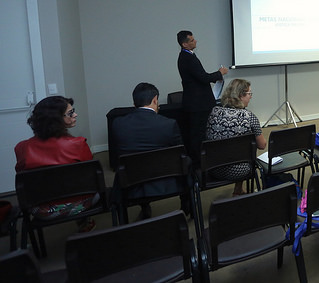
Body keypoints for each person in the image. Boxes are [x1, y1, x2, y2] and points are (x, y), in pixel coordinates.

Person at [14, 96, 96, 232]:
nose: (76, 114)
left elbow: (23, 179)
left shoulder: (21, 148)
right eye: (70, 113)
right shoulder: (78, 144)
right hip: (81, 204)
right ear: (55, 119)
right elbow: (91, 177)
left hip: (42, 210)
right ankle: (84, 222)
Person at [112, 82, 184, 219]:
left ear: (134, 102)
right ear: (155, 100)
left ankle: (142, 209)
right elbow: (180, 153)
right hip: (165, 179)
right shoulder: (169, 124)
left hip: (130, 181)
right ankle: (187, 206)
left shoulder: (118, 124)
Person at [206, 78, 266, 196]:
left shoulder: (214, 111)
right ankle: (238, 190)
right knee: (245, 152)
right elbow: (262, 145)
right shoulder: (249, 116)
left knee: (234, 149)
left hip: (213, 168)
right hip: (240, 171)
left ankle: (238, 190)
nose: (251, 97)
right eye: (249, 94)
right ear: (240, 96)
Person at [177, 30, 229, 163]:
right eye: (192, 40)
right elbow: (203, 78)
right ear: (184, 44)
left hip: (196, 102)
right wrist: (219, 73)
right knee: (198, 135)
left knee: (198, 134)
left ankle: (199, 160)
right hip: (198, 104)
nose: (195, 41)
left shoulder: (187, 56)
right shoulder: (188, 58)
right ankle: (198, 163)